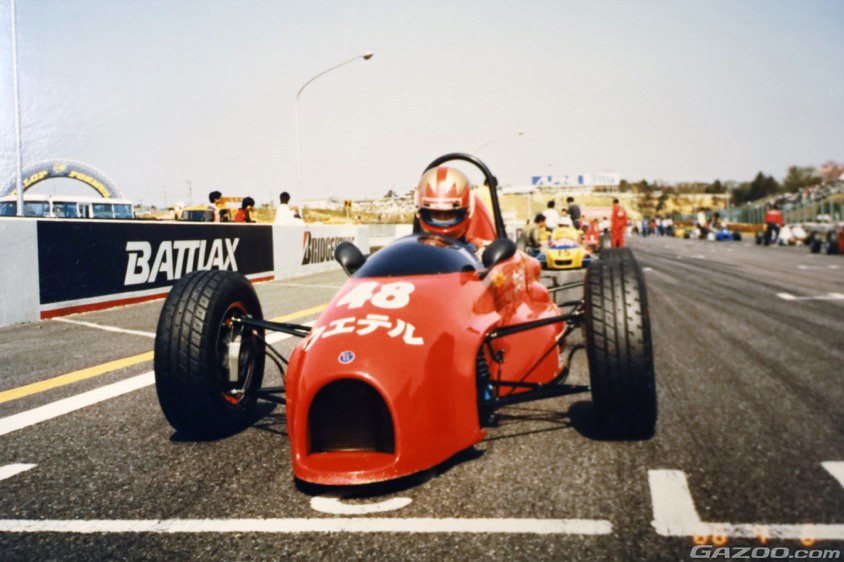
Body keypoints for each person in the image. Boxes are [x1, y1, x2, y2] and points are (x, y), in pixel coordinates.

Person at [416, 166, 490, 254]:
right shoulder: (411, 252)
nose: (442, 219)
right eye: (435, 214)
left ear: (468, 211)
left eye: (449, 215)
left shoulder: (481, 252)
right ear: (420, 212)